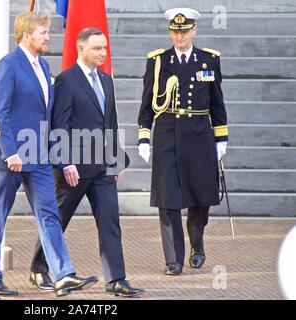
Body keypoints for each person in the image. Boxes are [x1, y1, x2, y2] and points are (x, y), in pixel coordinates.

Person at [0, 11, 98, 297]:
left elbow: (45, 115)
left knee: (49, 213)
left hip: (39, 155)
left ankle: (62, 274)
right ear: (26, 35)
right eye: (43, 32)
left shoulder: (43, 66)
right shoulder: (8, 66)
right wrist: (10, 152)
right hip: (11, 157)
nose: (48, 37)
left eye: (47, 32)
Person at [29, 28, 144, 298]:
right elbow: (59, 125)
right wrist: (64, 162)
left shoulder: (106, 80)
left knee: (109, 222)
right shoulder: (66, 81)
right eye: (97, 49)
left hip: (103, 167)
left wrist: (116, 161)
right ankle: (39, 268)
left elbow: (110, 124)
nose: (103, 53)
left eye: (105, 48)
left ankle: (116, 279)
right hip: (74, 169)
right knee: (58, 218)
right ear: (81, 49)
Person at [137, 8, 228, 276]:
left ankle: (197, 246)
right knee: (168, 200)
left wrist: (221, 138)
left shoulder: (209, 60)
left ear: (194, 31)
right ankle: (173, 259)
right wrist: (144, 136)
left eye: (184, 30)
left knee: (200, 199)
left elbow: (217, 103)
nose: (180, 35)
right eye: (175, 31)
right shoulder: (158, 61)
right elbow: (146, 105)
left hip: (199, 136)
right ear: (170, 33)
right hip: (167, 135)